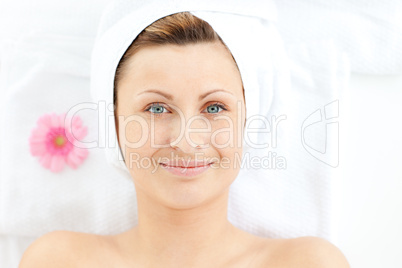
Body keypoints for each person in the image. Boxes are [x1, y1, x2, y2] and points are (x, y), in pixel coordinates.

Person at [19, 12, 349, 267]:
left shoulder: (307, 263)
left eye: (214, 107)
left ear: (246, 121)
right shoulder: (59, 261)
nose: (186, 140)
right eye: (157, 108)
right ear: (114, 123)